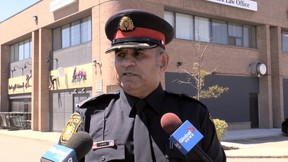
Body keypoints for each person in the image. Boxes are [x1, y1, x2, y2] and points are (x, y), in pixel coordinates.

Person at [59, 9, 226, 162]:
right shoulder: (89, 115)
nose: (127, 63)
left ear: (162, 62)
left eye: (138, 54)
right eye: (120, 54)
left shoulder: (192, 115)